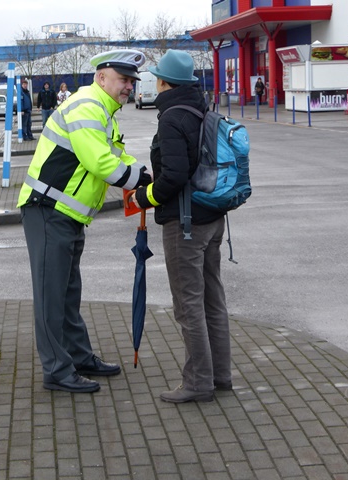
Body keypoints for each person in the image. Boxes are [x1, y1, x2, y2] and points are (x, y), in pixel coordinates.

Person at [18, 49, 151, 393]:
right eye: (123, 80)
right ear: (101, 77)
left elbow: (118, 155)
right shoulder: (88, 107)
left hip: (67, 214)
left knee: (66, 293)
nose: (128, 87)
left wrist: (145, 173)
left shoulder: (105, 112)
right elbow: (101, 162)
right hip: (48, 210)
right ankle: (57, 370)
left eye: (131, 81)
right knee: (51, 296)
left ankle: (78, 355)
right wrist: (140, 181)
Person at [131, 50, 231, 404]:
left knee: (189, 305)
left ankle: (198, 383)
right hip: (213, 219)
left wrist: (145, 198)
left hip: (184, 224)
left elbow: (174, 175)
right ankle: (220, 375)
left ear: (163, 82)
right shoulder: (201, 108)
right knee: (212, 300)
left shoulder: (171, 117)